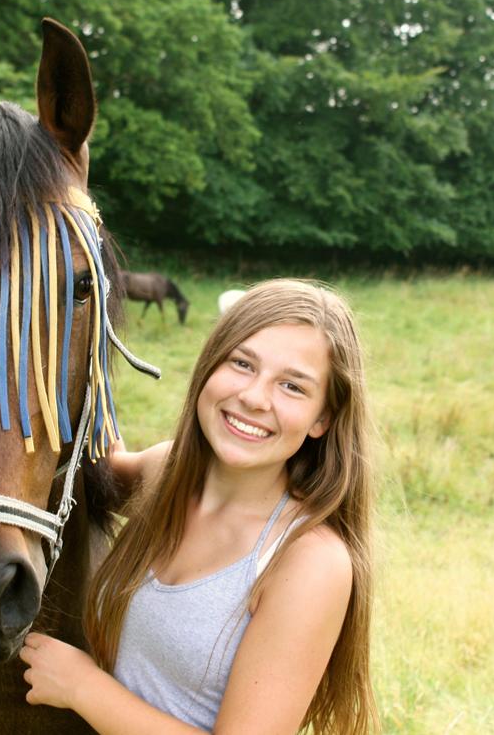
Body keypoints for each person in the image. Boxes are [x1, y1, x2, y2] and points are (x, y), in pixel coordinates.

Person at [20, 278, 378, 734]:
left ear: (322, 419)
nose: (253, 397)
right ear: (209, 365)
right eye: (243, 363)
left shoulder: (308, 562)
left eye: (292, 386)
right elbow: (98, 465)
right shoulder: (166, 474)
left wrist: (82, 687)